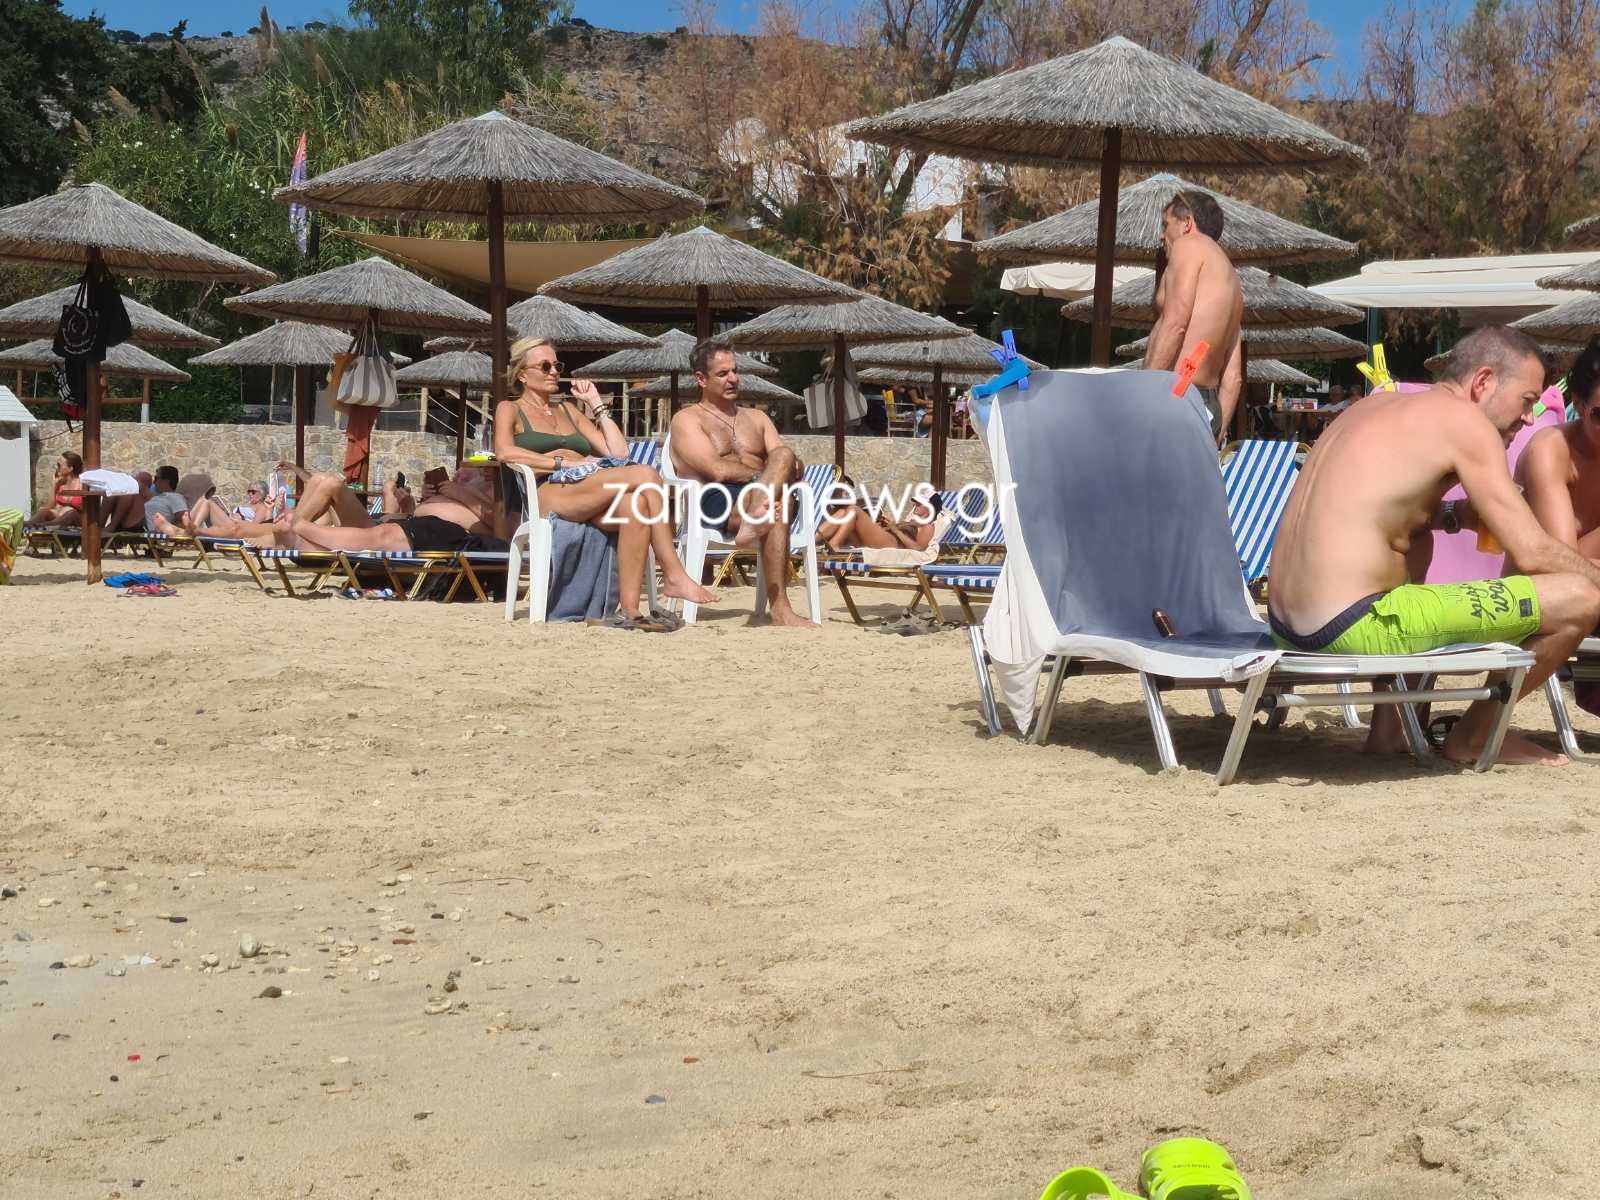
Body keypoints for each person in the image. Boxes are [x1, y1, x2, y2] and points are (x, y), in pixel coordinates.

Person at [1268, 326, 1600, 766]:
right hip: (1358, 624)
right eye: (1526, 400)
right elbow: (1533, 552)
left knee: (1417, 542)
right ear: (1483, 381)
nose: (1527, 418)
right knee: (1580, 597)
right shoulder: (1465, 423)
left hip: (1287, 625)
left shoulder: (1373, 406)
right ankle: (1475, 737)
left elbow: (1378, 514)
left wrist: (1451, 515)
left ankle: (1390, 733)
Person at [492, 335, 717, 626]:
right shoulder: (510, 409)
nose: (554, 372)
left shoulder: (568, 410)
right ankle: (674, 572)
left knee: (636, 506)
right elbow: (504, 452)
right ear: (522, 374)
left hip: (588, 485)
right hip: (549, 490)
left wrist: (596, 404)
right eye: (545, 366)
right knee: (646, 474)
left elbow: (619, 452)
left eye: (558, 366)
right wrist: (563, 461)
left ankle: (630, 610)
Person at [669, 336, 811, 628]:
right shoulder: (687, 419)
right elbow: (716, 469)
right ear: (701, 379)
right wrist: (766, 476)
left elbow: (791, 464)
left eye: (735, 371)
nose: (733, 378)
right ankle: (781, 609)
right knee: (777, 496)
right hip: (716, 499)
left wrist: (779, 473)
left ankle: (755, 521)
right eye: (723, 373)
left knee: (782, 470)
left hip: (757, 500)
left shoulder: (757, 418)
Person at [1142, 191, 1244, 443]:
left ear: (1187, 223)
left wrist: (1144, 395)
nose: (1162, 235)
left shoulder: (1188, 245)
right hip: (1208, 405)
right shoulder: (1232, 279)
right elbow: (1233, 377)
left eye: (1166, 225)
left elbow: (1175, 324)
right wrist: (1216, 438)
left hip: (1178, 395)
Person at [30, 452, 84, 526]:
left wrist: (69, 504)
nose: (56, 468)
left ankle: (47, 525)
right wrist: (54, 485)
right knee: (44, 511)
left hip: (77, 520)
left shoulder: (82, 483)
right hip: (60, 517)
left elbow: (87, 509)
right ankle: (29, 524)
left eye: (59, 465)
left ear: (70, 468)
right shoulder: (60, 483)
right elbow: (50, 506)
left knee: (70, 511)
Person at [103, 470, 152, 534]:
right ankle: (99, 526)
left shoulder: (148, 493)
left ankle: (110, 526)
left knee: (127, 494)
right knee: (111, 494)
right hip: (125, 524)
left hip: (136, 527)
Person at [142, 465, 188, 532]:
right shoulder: (156, 496)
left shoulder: (175, 497)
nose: (153, 482)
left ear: (166, 481)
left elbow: (184, 522)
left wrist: (166, 530)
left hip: (161, 534)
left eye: (156, 478)